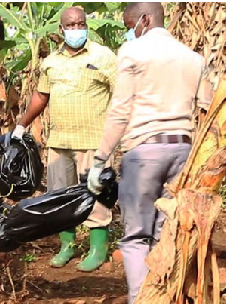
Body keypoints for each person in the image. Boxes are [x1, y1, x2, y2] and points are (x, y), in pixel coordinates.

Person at [86, 2, 211, 303]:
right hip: (183, 150)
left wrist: (100, 159)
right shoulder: (193, 58)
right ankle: (166, 296)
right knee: (165, 233)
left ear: (144, 19)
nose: (130, 32)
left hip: (144, 151)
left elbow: (119, 111)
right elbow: (207, 110)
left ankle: (140, 299)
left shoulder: (133, 53)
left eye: (130, 25)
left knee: (135, 235)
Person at [12, 7, 117, 272]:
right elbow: (42, 96)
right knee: (60, 197)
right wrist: (22, 124)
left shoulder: (103, 57)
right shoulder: (51, 62)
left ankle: (98, 249)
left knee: (96, 196)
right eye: (71, 25)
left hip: (94, 142)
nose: (76, 29)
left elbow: (121, 94)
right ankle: (67, 246)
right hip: (60, 142)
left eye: (81, 24)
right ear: (61, 30)